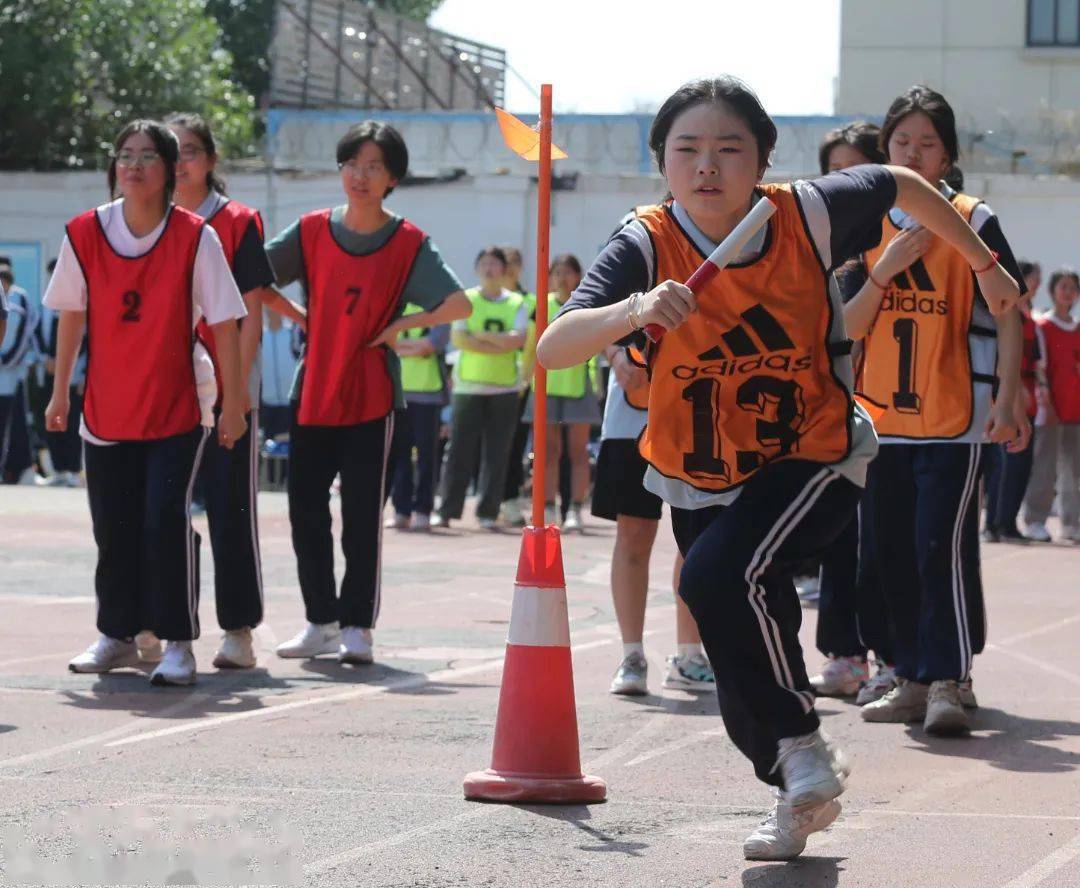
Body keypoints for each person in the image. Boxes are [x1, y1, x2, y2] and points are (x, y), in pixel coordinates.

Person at [537, 76, 1021, 861]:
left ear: (762, 160)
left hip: (815, 449)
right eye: (687, 150)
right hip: (699, 467)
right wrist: (633, 311)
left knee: (711, 581)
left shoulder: (808, 212)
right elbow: (552, 347)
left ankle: (803, 752)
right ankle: (797, 784)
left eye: (729, 150)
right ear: (661, 160)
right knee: (741, 648)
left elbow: (903, 183)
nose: (707, 167)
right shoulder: (644, 242)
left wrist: (985, 263)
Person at [844, 86, 1027, 735]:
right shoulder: (863, 228)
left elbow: (1010, 311)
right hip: (881, 421)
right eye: (902, 143)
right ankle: (911, 676)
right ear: (884, 151)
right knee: (888, 552)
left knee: (937, 551)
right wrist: (884, 270)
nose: (913, 154)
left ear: (947, 155)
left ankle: (949, 679)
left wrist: (1008, 399)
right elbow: (847, 326)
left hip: (957, 417)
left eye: (926, 144)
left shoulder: (974, 220)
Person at [45, 119, 248, 686]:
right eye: (124, 155)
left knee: (164, 522)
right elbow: (71, 315)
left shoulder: (194, 237)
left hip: (175, 408)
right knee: (112, 528)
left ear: (169, 170)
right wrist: (61, 392)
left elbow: (227, 325)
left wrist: (232, 405)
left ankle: (178, 639)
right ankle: (119, 633)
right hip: (107, 409)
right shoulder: (85, 233)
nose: (133, 165)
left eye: (146, 156)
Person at [265, 120, 470, 664]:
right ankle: (320, 622)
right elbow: (251, 274)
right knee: (305, 513)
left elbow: (459, 305)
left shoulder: (407, 242)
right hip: (311, 391)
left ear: (392, 178)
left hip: (375, 399)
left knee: (361, 517)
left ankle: (358, 625)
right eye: (352, 164)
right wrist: (296, 313)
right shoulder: (310, 231)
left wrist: (401, 326)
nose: (360, 175)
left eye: (374, 166)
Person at [166, 111, 277, 669]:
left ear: (210, 160)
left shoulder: (237, 221)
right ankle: (151, 622)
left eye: (190, 150)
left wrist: (236, 392)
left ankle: (238, 631)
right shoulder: (145, 221)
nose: (180, 161)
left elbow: (251, 314)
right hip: (161, 392)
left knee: (230, 510)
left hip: (225, 388)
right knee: (159, 510)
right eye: (172, 151)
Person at [808, 122, 896, 702]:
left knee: (884, 544)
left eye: (854, 170)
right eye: (832, 170)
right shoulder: (822, 249)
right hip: (836, 415)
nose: (843, 182)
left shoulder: (905, 240)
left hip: (899, 418)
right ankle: (844, 655)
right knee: (837, 539)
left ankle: (892, 657)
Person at [434, 247, 528, 530]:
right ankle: (448, 509)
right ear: (477, 268)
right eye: (484, 263)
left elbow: (518, 340)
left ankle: (488, 511)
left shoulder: (515, 302)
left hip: (504, 389)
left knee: (497, 453)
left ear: (504, 270)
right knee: (459, 451)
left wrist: (483, 337)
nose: (489, 269)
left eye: (494, 264)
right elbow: (460, 339)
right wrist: (499, 341)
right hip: (468, 388)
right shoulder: (467, 299)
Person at [523, 254, 599, 531]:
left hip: (578, 387)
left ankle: (576, 510)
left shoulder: (587, 302)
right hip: (545, 387)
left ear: (578, 275)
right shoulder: (540, 305)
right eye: (557, 272)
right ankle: (547, 508)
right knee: (547, 452)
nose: (562, 277)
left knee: (578, 452)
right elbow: (531, 346)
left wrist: (596, 382)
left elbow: (594, 343)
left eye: (568, 272)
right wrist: (525, 378)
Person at [984, 260, 1041, 542]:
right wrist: (1008, 399)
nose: (1035, 286)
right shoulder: (999, 313)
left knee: (1019, 467)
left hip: (1024, 401)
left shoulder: (1029, 321)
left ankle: (1007, 521)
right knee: (1001, 466)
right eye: (1031, 279)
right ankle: (994, 523)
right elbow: (1002, 362)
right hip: (1002, 399)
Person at [1023, 268, 1080, 542]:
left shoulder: (1078, 327)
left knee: (1074, 471)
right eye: (1063, 287)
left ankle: (1072, 523)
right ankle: (1035, 519)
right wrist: (1045, 397)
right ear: (1053, 290)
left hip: (1076, 408)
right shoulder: (1041, 326)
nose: (1067, 293)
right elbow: (1039, 366)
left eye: (1072, 288)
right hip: (1050, 408)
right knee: (1044, 466)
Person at [385, 303, 450, 531]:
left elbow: (431, 345)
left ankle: (423, 509)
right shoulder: (397, 305)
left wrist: (402, 347)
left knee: (427, 456)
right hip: (398, 391)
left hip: (428, 394)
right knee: (399, 454)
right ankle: (401, 510)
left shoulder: (439, 308)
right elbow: (386, 342)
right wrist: (414, 348)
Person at [38, 258, 87, 487]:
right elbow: (36, 335)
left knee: (72, 420)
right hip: (49, 373)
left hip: (74, 374)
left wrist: (84, 372)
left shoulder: (81, 302)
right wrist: (44, 359)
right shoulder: (45, 305)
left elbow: (88, 341)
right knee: (50, 420)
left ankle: (74, 470)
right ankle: (58, 469)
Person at [500, 246, 537, 527]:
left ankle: (511, 498)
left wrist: (526, 376)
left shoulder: (528, 301)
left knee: (514, 445)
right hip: (490, 382)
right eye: (506, 262)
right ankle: (494, 499)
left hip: (521, 383)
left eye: (515, 262)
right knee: (492, 446)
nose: (511, 268)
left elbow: (531, 344)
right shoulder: (490, 300)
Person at [0, 265, 40, 485]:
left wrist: (6, 360)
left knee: (13, 423)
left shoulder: (20, 299)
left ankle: (20, 470)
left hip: (11, 376)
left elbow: (25, 334)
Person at [260, 307, 298, 442]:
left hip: (289, 404)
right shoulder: (261, 338)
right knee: (268, 449)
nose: (273, 312)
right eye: (269, 310)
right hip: (268, 405)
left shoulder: (291, 336)